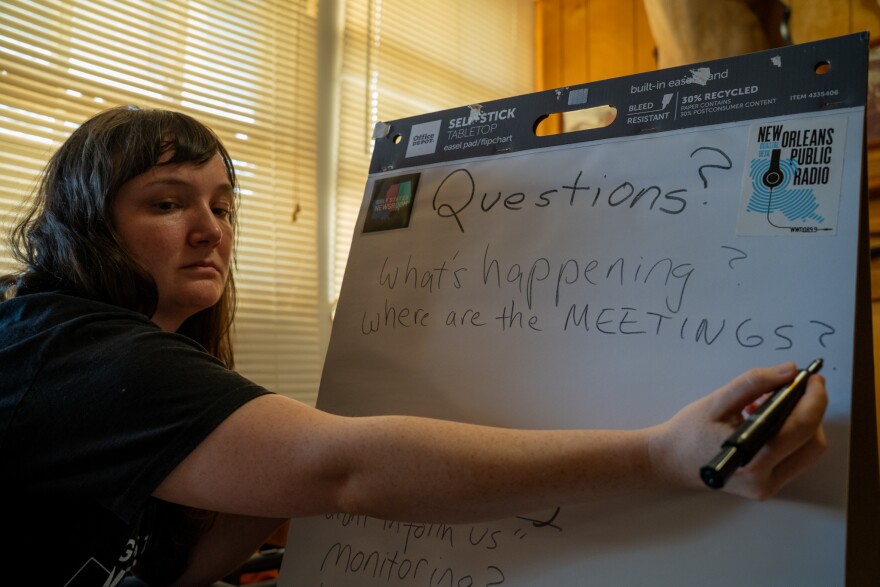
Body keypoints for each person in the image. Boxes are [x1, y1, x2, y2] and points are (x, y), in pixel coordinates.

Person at [0, 106, 828, 586]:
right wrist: (657, 454)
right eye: (168, 202)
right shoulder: (79, 350)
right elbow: (345, 469)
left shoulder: (123, 361)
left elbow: (180, 567)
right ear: (90, 223)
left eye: (222, 205)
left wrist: (278, 453)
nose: (209, 228)